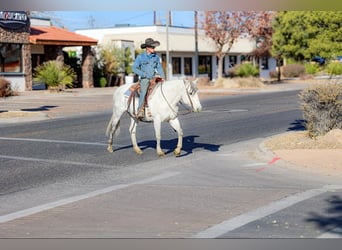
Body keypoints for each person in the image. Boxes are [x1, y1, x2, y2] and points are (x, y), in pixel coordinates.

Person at [133, 38, 165, 118]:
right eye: (152, 47)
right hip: (145, 79)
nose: (154, 48)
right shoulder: (140, 57)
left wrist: (163, 77)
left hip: (154, 78)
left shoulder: (156, 57)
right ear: (147, 48)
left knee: (163, 89)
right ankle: (140, 110)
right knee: (144, 91)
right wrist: (144, 74)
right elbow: (134, 68)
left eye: (154, 47)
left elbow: (159, 68)